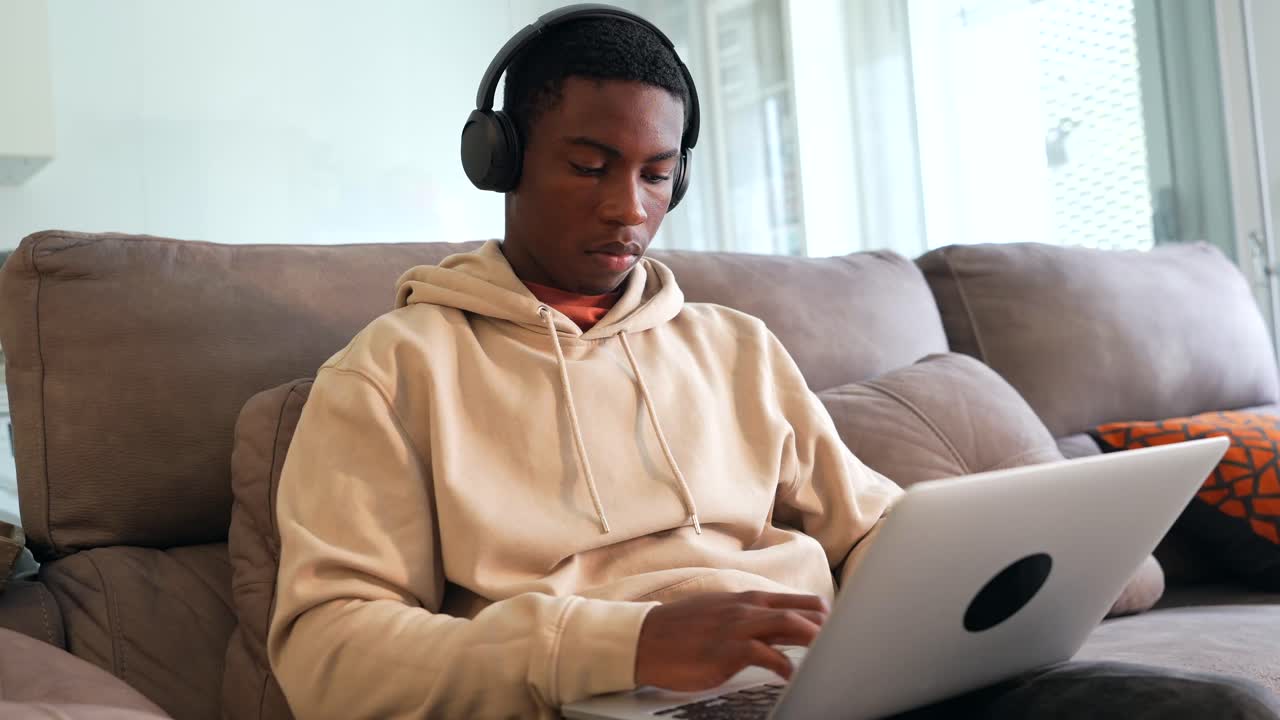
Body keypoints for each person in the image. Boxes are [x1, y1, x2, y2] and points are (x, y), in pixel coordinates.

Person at [267, 7, 1280, 719]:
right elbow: (328, 656)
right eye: (587, 166)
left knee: (1204, 709)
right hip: (612, 700)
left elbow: (878, 530)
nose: (629, 207)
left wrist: (969, 596)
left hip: (827, 686)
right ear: (499, 160)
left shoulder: (734, 349)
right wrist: (615, 646)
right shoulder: (393, 375)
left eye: (656, 174)